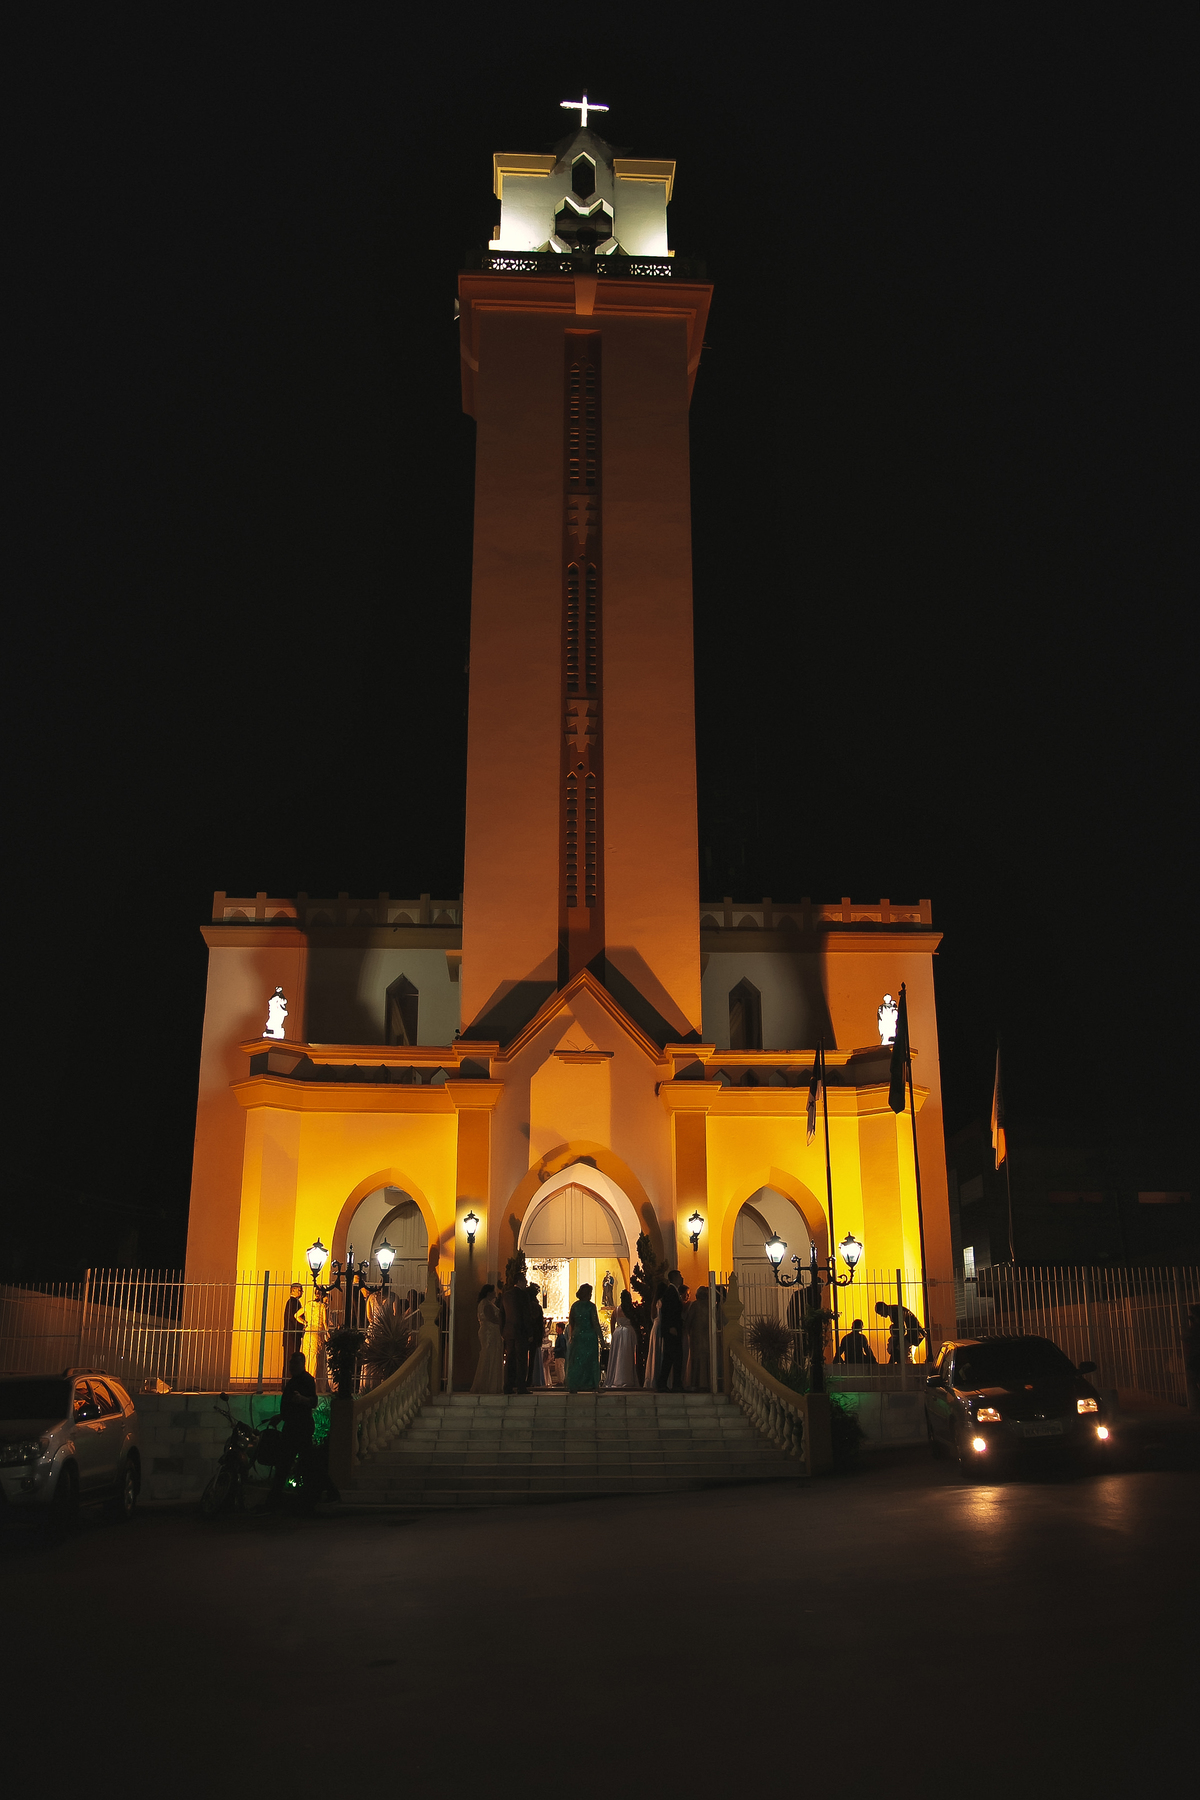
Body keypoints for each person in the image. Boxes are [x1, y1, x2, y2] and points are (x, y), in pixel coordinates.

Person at [271, 1351, 317, 1505]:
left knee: (304, 1464)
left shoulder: (306, 1380)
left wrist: (302, 1399)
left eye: (295, 1363)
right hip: (291, 1427)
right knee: (285, 1463)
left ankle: (307, 1498)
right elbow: (290, 1406)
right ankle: (278, 1499)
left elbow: (313, 1401)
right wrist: (280, 1416)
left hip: (301, 1428)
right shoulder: (292, 1382)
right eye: (291, 1363)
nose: (292, 1366)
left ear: (302, 1364)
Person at [566, 1283, 603, 1392]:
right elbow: (595, 1323)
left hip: (577, 1336)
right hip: (589, 1336)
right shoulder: (591, 1306)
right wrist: (601, 1338)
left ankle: (574, 1384)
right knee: (591, 1361)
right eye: (590, 1293)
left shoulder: (574, 1306)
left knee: (576, 1361)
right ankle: (593, 1384)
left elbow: (571, 1322)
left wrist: (572, 1335)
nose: (590, 1295)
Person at [603, 1290, 642, 1390]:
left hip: (618, 1333)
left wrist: (614, 1334)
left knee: (617, 1356)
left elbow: (612, 1323)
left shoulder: (616, 1310)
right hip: (628, 1333)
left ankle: (617, 1377)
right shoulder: (631, 1310)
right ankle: (627, 1378)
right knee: (627, 1356)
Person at [499, 1275, 531, 1394]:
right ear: (520, 1281)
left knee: (510, 1359)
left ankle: (508, 1386)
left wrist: (502, 1330)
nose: (526, 1284)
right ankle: (521, 1386)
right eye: (525, 1282)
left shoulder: (506, 1295)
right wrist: (529, 1332)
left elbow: (501, 1314)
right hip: (521, 1331)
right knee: (521, 1360)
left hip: (508, 1331)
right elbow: (526, 1315)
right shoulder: (523, 1295)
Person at [470, 1284, 503, 1394]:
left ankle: (488, 1383)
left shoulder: (485, 1303)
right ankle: (488, 1384)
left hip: (489, 1331)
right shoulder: (486, 1304)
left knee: (488, 1355)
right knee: (490, 1355)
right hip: (490, 1332)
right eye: (493, 1291)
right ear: (489, 1292)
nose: (495, 1293)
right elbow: (492, 1318)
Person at [655, 1271, 685, 1391]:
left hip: (673, 1329)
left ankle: (669, 1383)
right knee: (673, 1356)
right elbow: (668, 1311)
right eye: (680, 1276)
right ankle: (672, 1384)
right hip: (672, 1330)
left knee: (672, 1357)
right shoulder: (671, 1292)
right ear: (675, 1278)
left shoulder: (673, 1292)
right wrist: (671, 1327)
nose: (682, 1278)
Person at [875, 1299, 926, 1364]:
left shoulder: (894, 1312)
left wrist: (896, 1341)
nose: (881, 1316)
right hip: (914, 1333)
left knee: (906, 1355)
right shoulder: (894, 1310)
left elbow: (902, 1329)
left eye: (880, 1313)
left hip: (913, 1334)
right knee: (905, 1354)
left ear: (883, 1307)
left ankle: (911, 1371)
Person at [684, 1282, 711, 1390]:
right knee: (706, 1360)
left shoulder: (695, 1305)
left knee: (696, 1360)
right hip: (708, 1336)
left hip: (696, 1335)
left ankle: (696, 1383)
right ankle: (706, 1383)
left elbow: (689, 1320)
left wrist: (686, 1330)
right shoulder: (711, 1305)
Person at [282, 1284, 305, 1385]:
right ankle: (288, 1381)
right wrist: (303, 1326)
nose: (301, 1293)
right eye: (300, 1290)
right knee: (291, 1358)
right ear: (294, 1290)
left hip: (291, 1334)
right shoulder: (293, 1302)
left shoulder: (293, 1302)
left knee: (290, 1358)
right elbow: (293, 1319)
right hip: (292, 1335)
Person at [526, 1283, 547, 1388]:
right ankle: (530, 1379)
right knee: (532, 1359)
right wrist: (540, 1336)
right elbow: (539, 1323)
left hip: (526, 1335)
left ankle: (525, 1379)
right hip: (534, 1335)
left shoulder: (525, 1306)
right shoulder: (536, 1307)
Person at [551, 1322, 569, 1386]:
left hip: (560, 1355)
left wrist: (555, 1350)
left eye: (557, 1328)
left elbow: (562, 1347)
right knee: (557, 1369)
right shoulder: (559, 1337)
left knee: (560, 1368)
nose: (556, 1329)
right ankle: (559, 1381)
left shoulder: (561, 1338)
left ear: (560, 1329)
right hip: (558, 1355)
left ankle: (562, 1381)